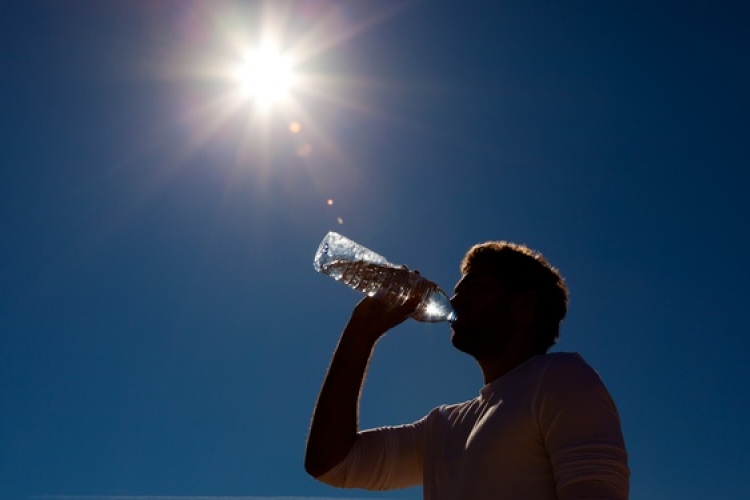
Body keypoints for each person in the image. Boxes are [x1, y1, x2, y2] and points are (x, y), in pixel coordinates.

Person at [305, 241, 629, 499]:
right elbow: (332, 463)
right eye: (458, 289)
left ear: (523, 305)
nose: (456, 297)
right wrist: (361, 332)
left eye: (476, 287)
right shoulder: (442, 427)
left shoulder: (561, 377)